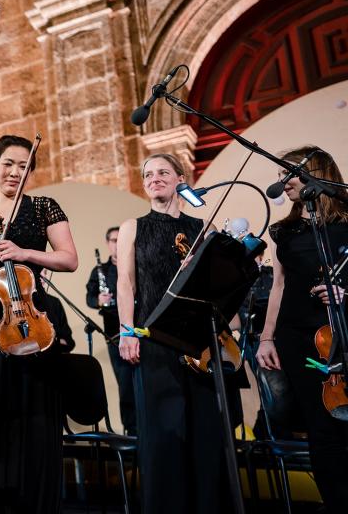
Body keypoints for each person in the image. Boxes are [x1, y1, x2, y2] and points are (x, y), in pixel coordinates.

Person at [0, 134, 78, 513]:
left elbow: (69, 258)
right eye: (8, 163)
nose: (14, 171)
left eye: (24, 166)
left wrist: (24, 252)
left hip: (30, 324)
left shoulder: (44, 207)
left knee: (32, 420)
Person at [116, 153, 241, 514]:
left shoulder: (203, 227)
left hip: (198, 341)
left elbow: (218, 286)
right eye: (148, 174)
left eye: (163, 172)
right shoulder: (133, 227)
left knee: (204, 433)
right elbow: (126, 283)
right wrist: (127, 331)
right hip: (153, 339)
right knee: (164, 435)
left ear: (179, 179)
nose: (154, 178)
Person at [255, 145, 348, 511]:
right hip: (297, 337)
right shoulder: (285, 230)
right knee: (321, 429)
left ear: (316, 173)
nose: (283, 183)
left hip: (342, 330)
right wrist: (266, 337)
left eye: (288, 173)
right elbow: (277, 285)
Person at [85, 226, 136, 434]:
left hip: (135, 332)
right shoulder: (101, 271)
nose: (116, 244)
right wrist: (99, 300)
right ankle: (132, 432)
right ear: (108, 243)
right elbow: (89, 297)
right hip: (113, 335)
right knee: (125, 386)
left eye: (119, 240)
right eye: (113, 240)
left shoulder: (134, 266)